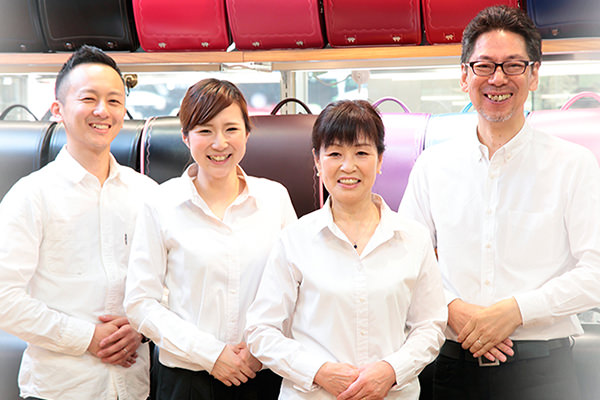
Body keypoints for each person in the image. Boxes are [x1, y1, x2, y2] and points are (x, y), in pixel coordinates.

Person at [399, 5, 600, 400]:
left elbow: (595, 272)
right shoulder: (432, 165)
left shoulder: (573, 164)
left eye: (513, 65)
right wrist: (452, 309)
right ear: (464, 75)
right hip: (450, 366)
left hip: (542, 372)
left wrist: (516, 311)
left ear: (534, 74)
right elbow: (403, 262)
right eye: (484, 65)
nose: (497, 79)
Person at [245, 99, 447, 399]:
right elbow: (261, 331)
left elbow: (430, 326)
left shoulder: (413, 237)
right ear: (317, 161)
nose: (348, 166)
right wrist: (318, 371)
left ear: (380, 160)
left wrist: (392, 370)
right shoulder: (294, 239)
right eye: (335, 153)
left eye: (361, 153)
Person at [124, 78, 297, 400]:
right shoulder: (160, 203)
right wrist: (211, 354)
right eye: (205, 130)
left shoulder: (274, 198)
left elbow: (296, 289)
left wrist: (260, 350)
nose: (220, 143)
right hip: (187, 380)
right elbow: (140, 303)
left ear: (247, 133)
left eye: (231, 129)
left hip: (263, 374)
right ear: (185, 136)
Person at [0, 45, 156, 400]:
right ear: (58, 110)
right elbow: (3, 297)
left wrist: (142, 328)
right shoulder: (31, 196)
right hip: (58, 388)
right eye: (89, 98)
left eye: (114, 101)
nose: (103, 111)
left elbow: (170, 283)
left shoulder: (148, 194)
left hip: (133, 387)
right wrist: (86, 338)